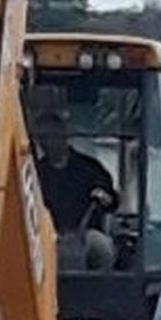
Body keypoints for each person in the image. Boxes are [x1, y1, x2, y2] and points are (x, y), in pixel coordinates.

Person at [31, 115, 118, 270]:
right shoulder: (36, 173)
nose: (47, 143)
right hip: (47, 236)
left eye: (51, 136)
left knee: (102, 247)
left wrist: (105, 198)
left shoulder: (90, 169)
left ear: (63, 136)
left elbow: (111, 201)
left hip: (87, 236)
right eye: (42, 138)